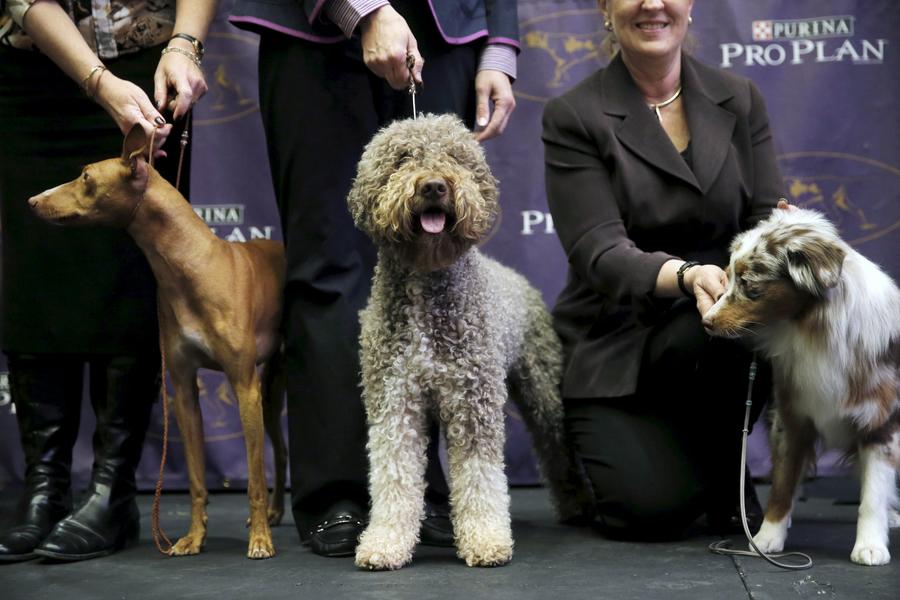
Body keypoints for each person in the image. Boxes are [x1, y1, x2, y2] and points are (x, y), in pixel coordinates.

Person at [227, 0, 518, 556]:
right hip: (312, 37)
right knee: (327, 262)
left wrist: (499, 48)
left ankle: (432, 495)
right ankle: (337, 492)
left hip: (443, 30)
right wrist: (359, 10)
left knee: (441, 257)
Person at [541, 0, 782, 539]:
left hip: (717, 330)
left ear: (690, 6)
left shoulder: (739, 99)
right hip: (617, 342)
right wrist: (690, 274)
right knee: (649, 514)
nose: (652, 3)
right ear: (606, 8)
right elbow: (598, 251)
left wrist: (771, 247)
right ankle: (709, 463)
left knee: (746, 322)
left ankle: (722, 461)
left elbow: (764, 217)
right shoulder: (573, 115)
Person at [0, 0, 216, 561]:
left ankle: (111, 494)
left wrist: (184, 46)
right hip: (35, 69)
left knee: (132, 278)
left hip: (152, 69)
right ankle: (45, 490)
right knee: (36, 275)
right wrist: (97, 82)